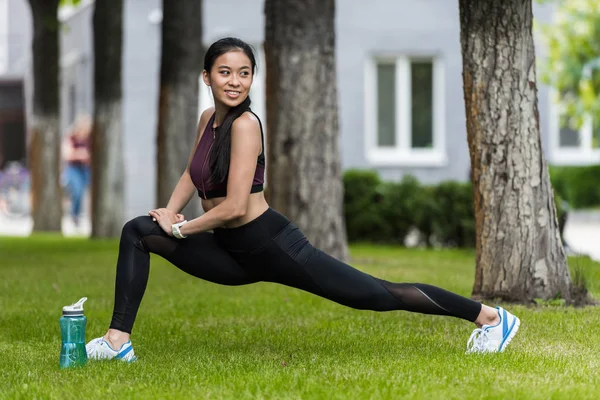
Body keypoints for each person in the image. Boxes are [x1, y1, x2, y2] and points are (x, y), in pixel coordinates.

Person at [85, 37, 520, 362]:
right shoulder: (208, 120)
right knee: (138, 231)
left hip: (271, 244)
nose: (235, 81)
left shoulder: (245, 125)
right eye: (224, 72)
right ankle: (118, 342)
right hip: (230, 252)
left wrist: (180, 227)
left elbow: (235, 206)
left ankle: (491, 319)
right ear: (206, 77)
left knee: (377, 294)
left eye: (244, 73)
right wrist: (168, 209)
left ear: (252, 77)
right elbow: (191, 172)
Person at [62, 115, 92, 226]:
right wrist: (80, 154)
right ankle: (75, 215)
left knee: (91, 192)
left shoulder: (90, 138)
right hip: (73, 168)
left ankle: (90, 216)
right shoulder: (71, 137)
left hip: (86, 168)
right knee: (77, 191)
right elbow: (66, 154)